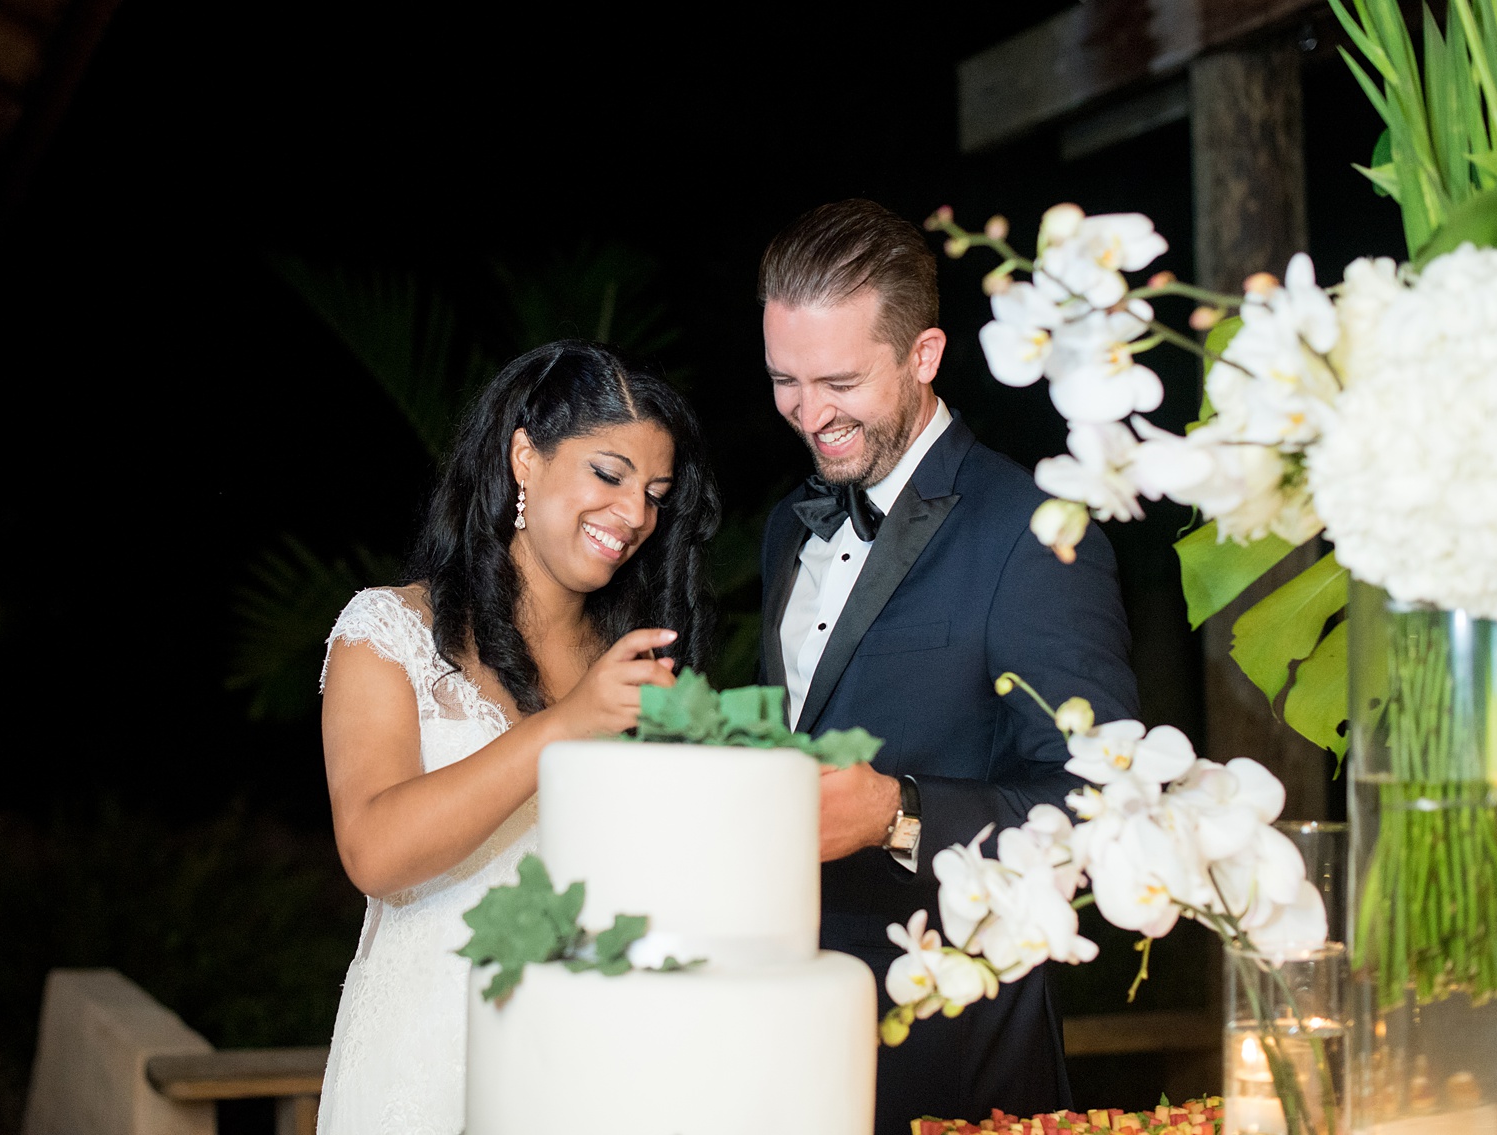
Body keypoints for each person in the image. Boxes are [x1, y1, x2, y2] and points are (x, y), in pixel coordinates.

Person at [756, 200, 1139, 1131]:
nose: (810, 415)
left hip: (957, 1055)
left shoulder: (1034, 529)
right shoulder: (784, 527)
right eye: (784, 381)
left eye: (839, 381)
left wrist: (900, 811)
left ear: (923, 356)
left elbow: (1105, 813)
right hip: (790, 1034)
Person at [315, 340, 719, 1135]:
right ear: (525, 456)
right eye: (608, 474)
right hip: (425, 1069)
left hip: (592, 1074)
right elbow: (374, 851)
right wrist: (564, 727)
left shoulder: (639, 665)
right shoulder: (389, 632)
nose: (635, 514)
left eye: (656, 494)